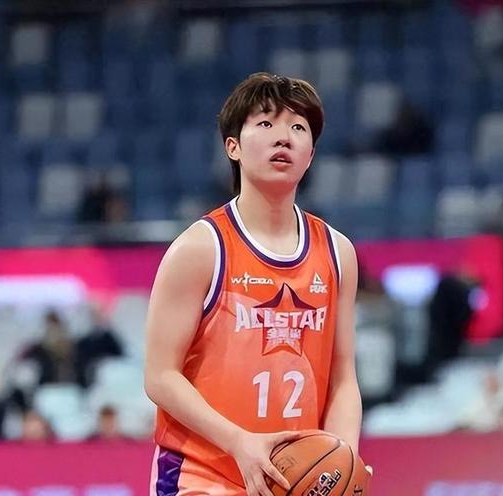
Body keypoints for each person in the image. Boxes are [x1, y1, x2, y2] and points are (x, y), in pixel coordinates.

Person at [145, 73, 363, 496]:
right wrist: (239, 442)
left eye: (297, 127)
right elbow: (159, 376)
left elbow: (342, 380)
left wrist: (342, 461)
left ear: (311, 154)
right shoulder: (200, 248)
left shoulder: (339, 253)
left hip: (291, 480)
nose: (283, 137)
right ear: (233, 147)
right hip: (203, 475)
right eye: (265, 123)